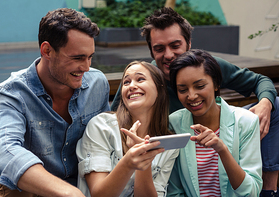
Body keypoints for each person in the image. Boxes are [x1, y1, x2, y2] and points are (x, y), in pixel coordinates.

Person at [110, 7, 279, 196]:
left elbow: (260, 81)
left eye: (175, 45)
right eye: (159, 48)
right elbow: (116, 113)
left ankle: (269, 189)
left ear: (188, 43)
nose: (168, 55)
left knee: (276, 104)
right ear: (151, 51)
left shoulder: (206, 65)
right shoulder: (145, 78)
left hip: (216, 124)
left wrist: (265, 102)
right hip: (171, 142)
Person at [0, 8, 110, 197]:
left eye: (90, 57)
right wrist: (69, 193)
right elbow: (4, 150)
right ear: (47, 51)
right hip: (34, 189)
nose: (86, 67)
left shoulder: (97, 83)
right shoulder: (13, 92)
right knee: (8, 181)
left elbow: (105, 138)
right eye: (77, 58)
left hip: (82, 182)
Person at [167, 49, 262, 196]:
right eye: (183, 89)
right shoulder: (174, 124)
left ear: (216, 84)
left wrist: (222, 150)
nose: (191, 96)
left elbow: (251, 192)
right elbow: (174, 191)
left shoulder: (246, 121)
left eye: (200, 86)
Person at [76, 61, 179, 197]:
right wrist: (130, 161)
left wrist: (144, 160)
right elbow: (99, 194)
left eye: (140, 79)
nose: (131, 86)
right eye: (126, 82)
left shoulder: (168, 144)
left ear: (159, 89)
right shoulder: (101, 126)